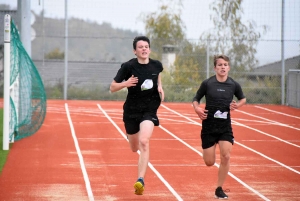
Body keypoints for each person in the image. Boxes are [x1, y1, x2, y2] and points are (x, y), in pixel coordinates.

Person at [110, 36, 164, 195]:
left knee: (144, 141)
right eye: (140, 47)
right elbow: (112, 87)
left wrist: (160, 87)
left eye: (146, 46)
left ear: (149, 49)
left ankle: (140, 179)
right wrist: (125, 84)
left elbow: (158, 77)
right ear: (135, 51)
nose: (144, 49)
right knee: (134, 148)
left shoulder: (156, 65)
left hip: (149, 109)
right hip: (131, 110)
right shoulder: (128, 67)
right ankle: (131, 136)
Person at [192, 54, 246, 199]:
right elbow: (196, 99)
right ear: (215, 67)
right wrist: (197, 109)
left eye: (225, 65)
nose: (223, 67)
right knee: (209, 162)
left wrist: (237, 105)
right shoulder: (208, 83)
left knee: (226, 156)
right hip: (209, 126)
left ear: (228, 67)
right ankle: (210, 151)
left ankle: (219, 188)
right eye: (220, 65)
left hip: (225, 127)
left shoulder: (233, 84)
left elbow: (243, 98)